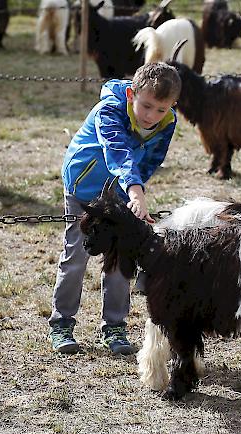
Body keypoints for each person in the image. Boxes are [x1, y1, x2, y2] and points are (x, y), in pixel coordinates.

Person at [49, 62, 181, 355]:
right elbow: (117, 151)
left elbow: (150, 161)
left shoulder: (168, 122)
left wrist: (134, 196)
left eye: (161, 109)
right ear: (132, 94)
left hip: (121, 194)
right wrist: (135, 189)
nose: (151, 116)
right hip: (84, 189)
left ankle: (114, 328)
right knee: (76, 255)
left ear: (172, 106)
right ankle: (62, 324)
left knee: (121, 259)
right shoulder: (109, 110)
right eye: (146, 106)